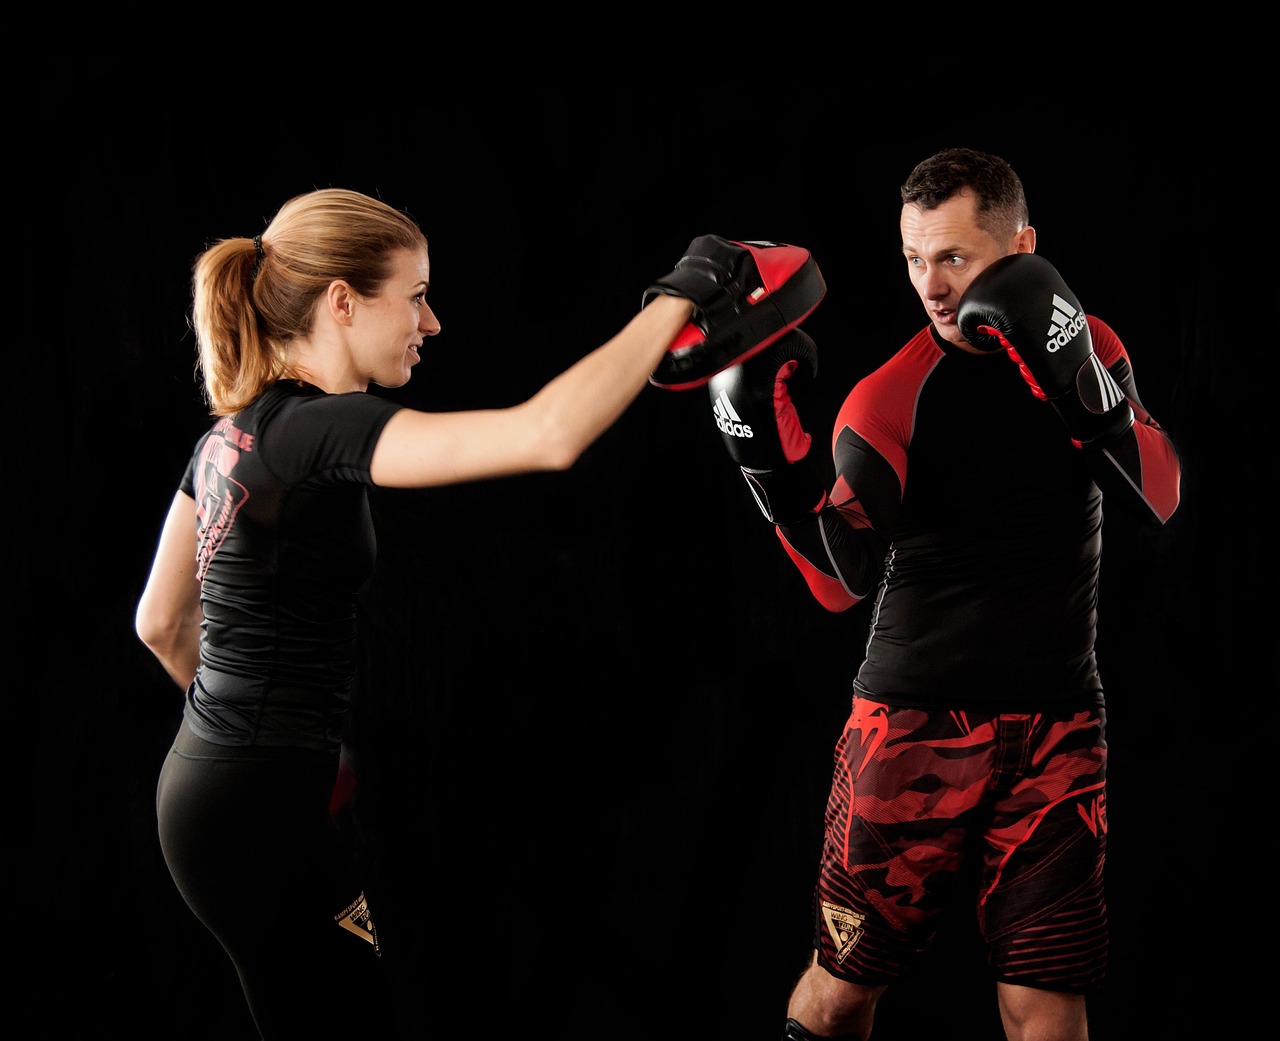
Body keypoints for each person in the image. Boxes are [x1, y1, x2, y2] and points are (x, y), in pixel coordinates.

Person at [133, 188, 820, 1040]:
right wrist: (682, 294)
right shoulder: (319, 430)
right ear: (342, 302)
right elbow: (547, 434)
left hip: (206, 791)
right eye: (415, 296)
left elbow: (160, 623)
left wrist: (261, 737)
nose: (432, 323)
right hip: (258, 809)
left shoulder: (231, 435)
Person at [700, 148, 1182, 1040]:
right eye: (915, 258)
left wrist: (1081, 389)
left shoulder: (1091, 342)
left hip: (1058, 726)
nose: (931, 283)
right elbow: (839, 583)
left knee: (1048, 1002)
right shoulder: (889, 397)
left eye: (953, 256)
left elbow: (1158, 493)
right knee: (842, 992)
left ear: (1022, 248)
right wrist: (777, 480)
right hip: (913, 724)